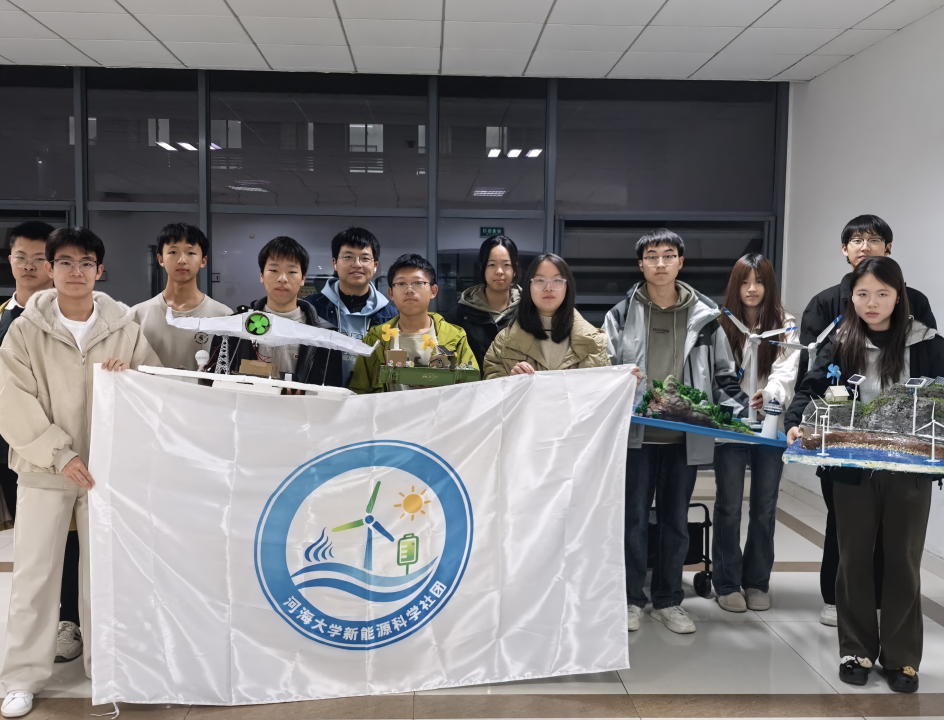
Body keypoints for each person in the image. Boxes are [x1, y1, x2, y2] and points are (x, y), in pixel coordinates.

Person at [0, 227, 160, 718]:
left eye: (86, 263)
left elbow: (153, 388)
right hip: (46, 468)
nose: (76, 271)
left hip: (106, 471)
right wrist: (59, 453)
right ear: (50, 269)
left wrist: (130, 379)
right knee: (35, 575)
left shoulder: (124, 327)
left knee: (106, 576)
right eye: (66, 262)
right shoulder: (25, 329)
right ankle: (21, 678)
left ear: (99, 270)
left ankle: (107, 669)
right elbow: (11, 398)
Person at [786, 256, 943, 694]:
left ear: (899, 296)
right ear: (851, 297)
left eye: (882, 294)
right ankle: (855, 650)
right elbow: (811, 386)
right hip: (851, 465)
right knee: (853, 557)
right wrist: (795, 421)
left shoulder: (928, 343)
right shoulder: (841, 341)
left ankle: (902, 657)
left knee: (902, 559)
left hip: (909, 468)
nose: (872, 303)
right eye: (862, 294)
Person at [604, 228, 747, 635]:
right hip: (636, 436)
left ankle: (668, 600)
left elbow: (723, 376)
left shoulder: (706, 318)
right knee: (632, 519)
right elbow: (606, 370)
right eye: (652, 256)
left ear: (681, 262)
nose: (661, 263)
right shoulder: (620, 315)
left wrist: (744, 413)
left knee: (675, 521)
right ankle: (630, 599)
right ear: (641, 265)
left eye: (669, 255)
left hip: (685, 437)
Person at [799, 215, 936, 628]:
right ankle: (837, 597)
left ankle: (880, 604)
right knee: (845, 522)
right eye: (856, 240)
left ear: (888, 249)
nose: (864, 246)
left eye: (873, 239)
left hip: (904, 445)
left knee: (896, 533)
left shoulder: (916, 302)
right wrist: (802, 416)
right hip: (844, 437)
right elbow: (814, 368)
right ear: (844, 250)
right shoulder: (826, 302)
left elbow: (927, 363)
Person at [0, 221, 84, 666]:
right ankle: (30, 650)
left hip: (67, 450)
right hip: (15, 449)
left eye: (39, 258)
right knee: (32, 546)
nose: (30, 266)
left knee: (72, 542)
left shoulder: (83, 320)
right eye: (22, 257)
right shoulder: (6, 319)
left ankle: (70, 620)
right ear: (10, 261)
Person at [713, 253, 800, 613]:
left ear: (769, 285)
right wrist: (735, 405)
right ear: (735, 285)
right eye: (745, 282)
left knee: (764, 506)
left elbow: (786, 370)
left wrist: (770, 396)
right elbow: (716, 374)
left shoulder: (785, 324)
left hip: (770, 425)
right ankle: (726, 582)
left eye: (760, 281)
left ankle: (757, 581)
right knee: (729, 505)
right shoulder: (720, 323)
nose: (752, 289)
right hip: (730, 425)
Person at [206, 236, 339, 385]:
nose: (282, 278)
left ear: (303, 278)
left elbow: (332, 389)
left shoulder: (327, 336)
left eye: (291, 271)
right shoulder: (232, 328)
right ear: (261, 275)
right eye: (274, 270)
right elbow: (216, 383)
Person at [349, 254, 476, 394]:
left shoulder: (455, 337)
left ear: (433, 291)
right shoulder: (376, 339)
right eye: (401, 284)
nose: (409, 289)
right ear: (391, 293)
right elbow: (359, 391)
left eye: (418, 283)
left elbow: (473, 387)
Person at [482, 253, 610, 378]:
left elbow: (606, 388)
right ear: (528, 286)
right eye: (539, 280)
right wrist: (512, 382)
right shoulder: (504, 343)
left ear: (567, 286)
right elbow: (490, 388)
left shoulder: (594, 343)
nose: (548, 288)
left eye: (557, 280)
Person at [302, 227, 396, 387]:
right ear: (334, 263)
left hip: (372, 397)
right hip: (322, 395)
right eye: (348, 257)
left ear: (375, 266)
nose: (357, 264)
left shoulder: (390, 315)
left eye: (365, 258)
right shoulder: (311, 308)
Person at [131, 223, 232, 371]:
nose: (182, 260)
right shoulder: (138, 315)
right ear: (160, 259)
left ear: (203, 261)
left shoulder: (223, 316)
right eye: (173, 252)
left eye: (190, 253)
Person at [444, 235, 521, 373]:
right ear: (482, 268)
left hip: (517, 386)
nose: (499, 271)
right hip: (472, 386)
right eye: (492, 265)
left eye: (506, 265)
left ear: (515, 269)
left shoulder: (528, 311)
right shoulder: (460, 314)